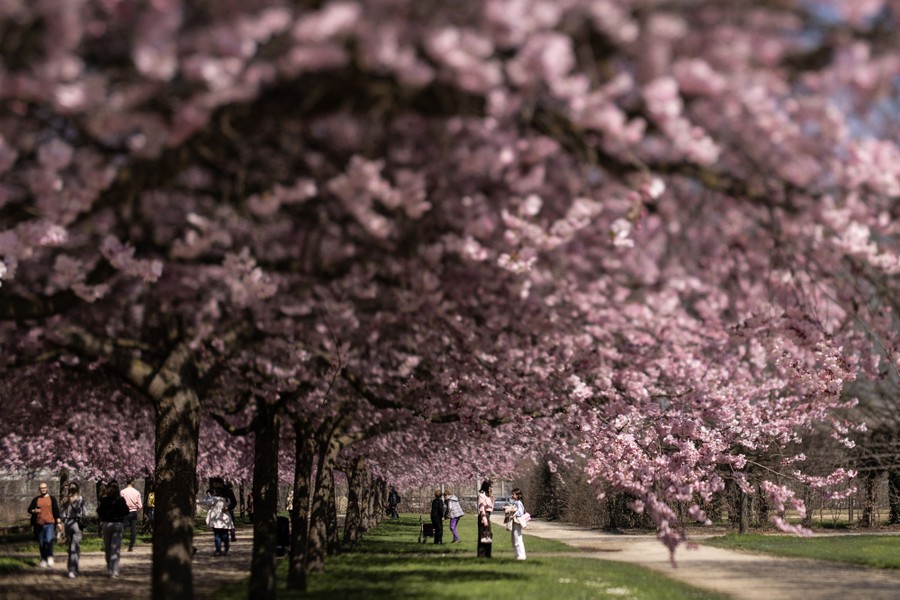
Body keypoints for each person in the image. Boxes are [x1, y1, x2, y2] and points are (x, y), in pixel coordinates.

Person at [97, 480, 130, 578]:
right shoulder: (121, 500)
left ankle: (110, 567)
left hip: (107, 524)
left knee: (108, 547)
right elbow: (126, 511)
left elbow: (99, 511)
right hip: (118, 524)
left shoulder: (104, 500)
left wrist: (105, 517)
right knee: (115, 548)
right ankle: (114, 570)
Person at [27, 481, 61, 568]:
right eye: (41, 488)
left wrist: (59, 523)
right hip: (39, 524)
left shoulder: (52, 499)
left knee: (48, 540)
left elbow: (56, 511)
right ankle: (43, 559)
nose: (43, 489)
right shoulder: (36, 499)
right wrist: (34, 511)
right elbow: (29, 509)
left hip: (49, 523)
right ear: (39, 489)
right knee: (41, 543)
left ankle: (50, 557)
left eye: (44, 488)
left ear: (47, 488)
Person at [197, 483, 234, 556]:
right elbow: (230, 505)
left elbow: (206, 502)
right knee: (225, 535)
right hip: (225, 520)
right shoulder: (227, 499)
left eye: (214, 491)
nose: (213, 492)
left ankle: (218, 550)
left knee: (217, 535)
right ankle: (226, 550)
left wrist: (196, 501)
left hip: (216, 520)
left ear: (216, 492)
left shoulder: (214, 499)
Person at [60, 481, 86, 578]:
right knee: (75, 547)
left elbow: (61, 514)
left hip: (67, 524)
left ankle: (72, 568)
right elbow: (85, 512)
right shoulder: (80, 498)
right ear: (78, 489)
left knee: (71, 546)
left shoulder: (65, 499)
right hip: (76, 524)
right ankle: (73, 569)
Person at [120, 477, 143, 552]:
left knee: (122, 528)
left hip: (125, 512)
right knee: (133, 530)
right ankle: (131, 546)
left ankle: (118, 543)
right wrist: (137, 510)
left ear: (126, 482)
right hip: (133, 512)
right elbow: (140, 505)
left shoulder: (122, 492)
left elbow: (120, 503)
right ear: (132, 483)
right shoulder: (136, 492)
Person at [477, 479, 494, 558]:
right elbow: (481, 508)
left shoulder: (488, 495)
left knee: (488, 535)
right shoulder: (481, 495)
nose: (491, 488)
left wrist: (491, 496)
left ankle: (488, 554)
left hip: (488, 515)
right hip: (484, 516)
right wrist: (484, 519)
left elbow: (491, 507)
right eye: (490, 487)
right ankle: (481, 554)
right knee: (483, 535)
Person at [509, 487, 527, 560]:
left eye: (513, 494)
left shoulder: (518, 503)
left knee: (518, 538)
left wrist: (513, 513)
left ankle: (521, 555)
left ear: (517, 495)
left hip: (517, 522)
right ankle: (517, 554)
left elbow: (520, 512)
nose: (512, 495)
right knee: (514, 538)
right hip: (514, 521)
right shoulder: (515, 502)